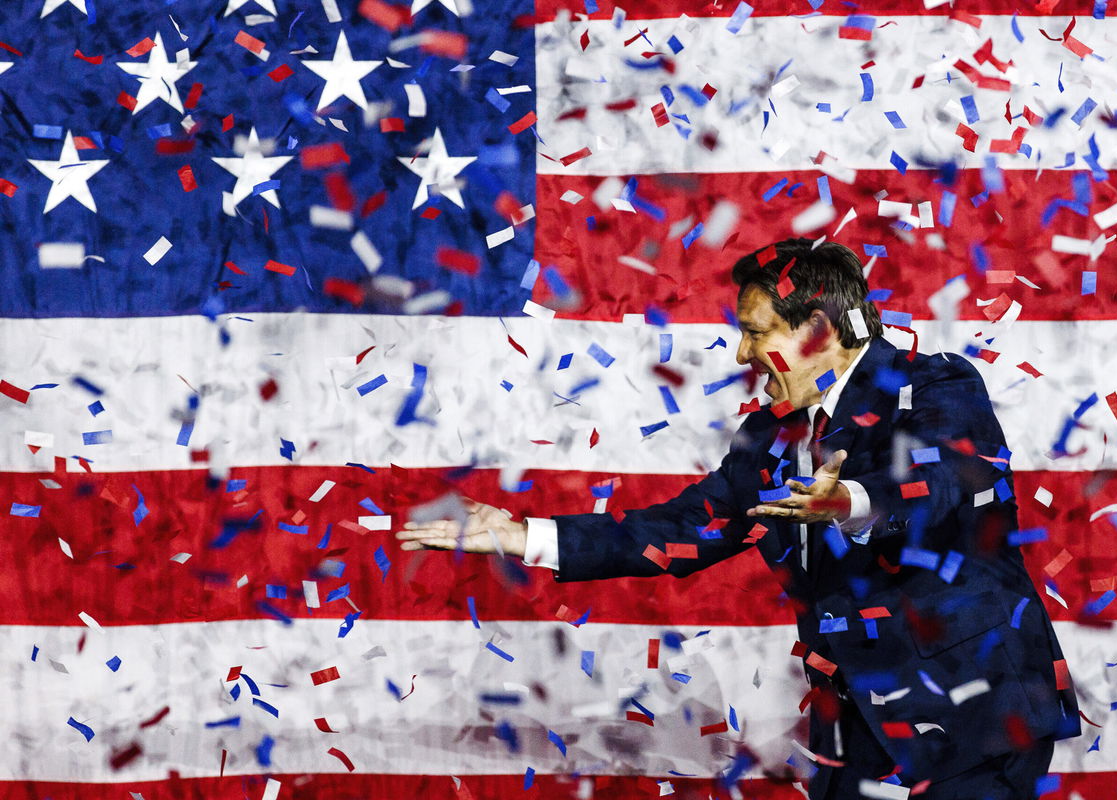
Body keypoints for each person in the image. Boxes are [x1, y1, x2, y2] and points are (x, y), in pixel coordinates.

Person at [399, 238, 1081, 799]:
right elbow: (681, 529)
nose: (741, 354)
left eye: (754, 333)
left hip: (976, 715)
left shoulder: (936, 385)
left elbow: (944, 482)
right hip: (854, 730)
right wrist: (524, 535)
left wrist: (848, 501)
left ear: (816, 330)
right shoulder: (770, 438)